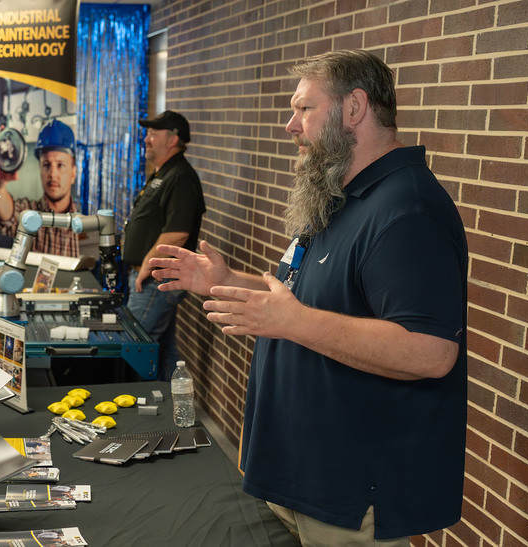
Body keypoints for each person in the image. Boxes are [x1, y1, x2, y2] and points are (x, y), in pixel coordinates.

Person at [150, 50, 467, 544]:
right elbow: (300, 298)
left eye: (303, 109)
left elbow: (430, 352)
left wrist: (293, 322)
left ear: (354, 108)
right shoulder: (341, 195)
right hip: (299, 475)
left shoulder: (408, 211)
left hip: (350, 496)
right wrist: (226, 281)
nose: (289, 125)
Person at [122, 110, 206, 381]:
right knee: (163, 351)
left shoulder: (180, 176)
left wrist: (147, 264)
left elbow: (178, 233)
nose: (146, 139)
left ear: (173, 140)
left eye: (153, 134)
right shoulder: (164, 174)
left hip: (157, 279)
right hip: (151, 277)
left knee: (134, 349)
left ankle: (133, 410)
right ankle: (174, 412)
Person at [0, 120, 82, 257]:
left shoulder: (85, 222)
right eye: (46, 164)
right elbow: (8, 216)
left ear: (73, 173)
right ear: (40, 169)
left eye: (60, 165)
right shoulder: (30, 215)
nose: (53, 174)